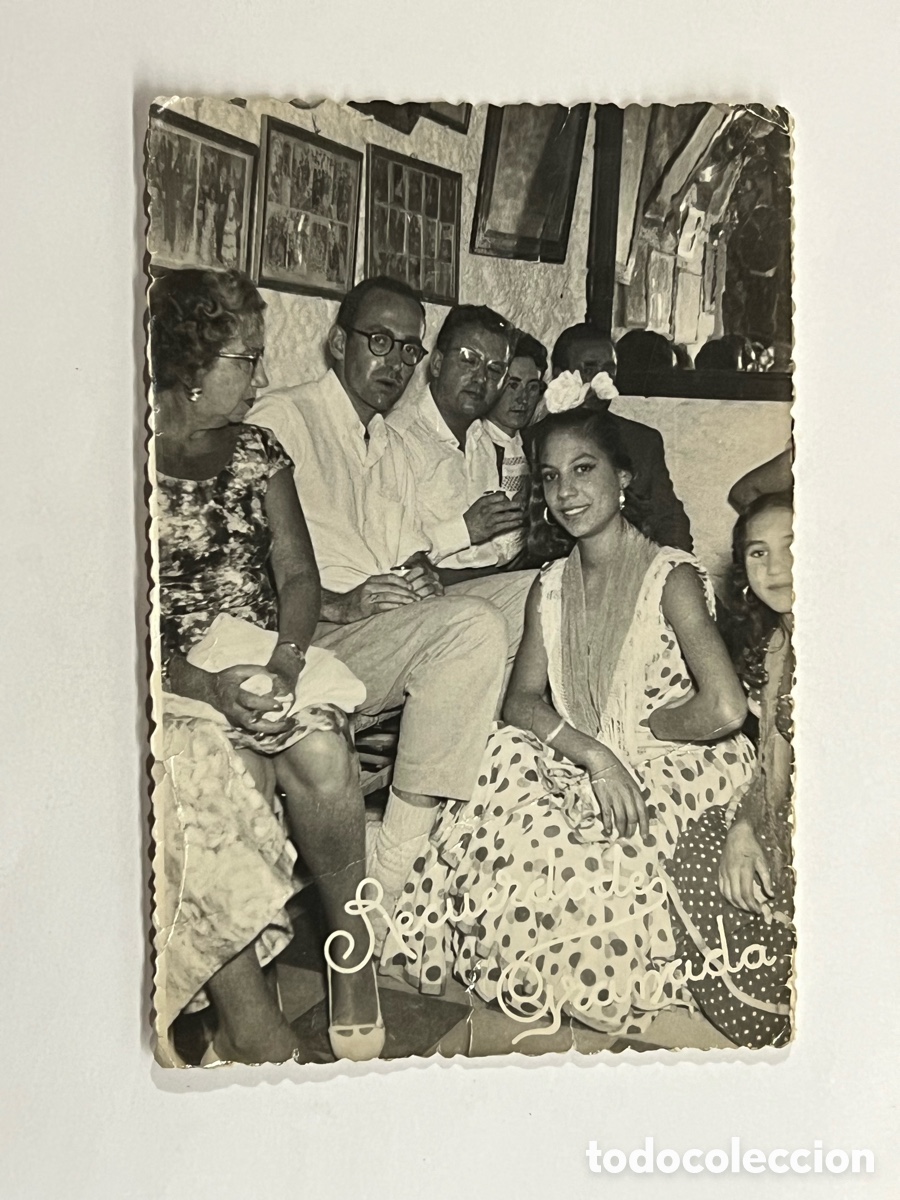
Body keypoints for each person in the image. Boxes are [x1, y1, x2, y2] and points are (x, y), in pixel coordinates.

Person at [382, 392, 755, 1039]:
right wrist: (596, 753)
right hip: (591, 754)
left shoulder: (672, 578)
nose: (566, 491)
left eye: (584, 470)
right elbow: (521, 699)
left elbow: (724, 708)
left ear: (624, 478)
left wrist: (644, 737)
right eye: (551, 477)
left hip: (677, 764)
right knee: (503, 754)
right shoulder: (550, 583)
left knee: (593, 866)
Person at [150, 268, 382, 1064]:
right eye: (246, 360)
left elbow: (298, 576)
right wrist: (207, 687)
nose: (261, 375)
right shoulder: (128, 460)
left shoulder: (257, 451)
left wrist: (284, 662)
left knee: (321, 750)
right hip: (174, 679)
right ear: (190, 366)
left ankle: (351, 955)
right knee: (235, 771)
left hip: (259, 656)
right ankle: (253, 1005)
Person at [247, 277, 508, 923]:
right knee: (472, 628)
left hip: (377, 629)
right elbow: (242, 564)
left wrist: (416, 573)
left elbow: (397, 553)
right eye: (380, 341)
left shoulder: (388, 442)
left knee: (546, 590)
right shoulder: (281, 420)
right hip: (311, 641)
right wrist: (338, 603)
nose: (395, 362)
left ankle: (468, 825)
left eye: (408, 350)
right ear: (339, 344)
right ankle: (391, 876)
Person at [665, 491, 794, 1047]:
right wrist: (747, 826)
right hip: (796, 805)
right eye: (758, 554)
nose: (778, 568)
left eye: (793, 546)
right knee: (702, 842)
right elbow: (775, 767)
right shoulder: (775, 644)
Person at [550, 323, 693, 552]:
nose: (601, 379)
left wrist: (672, 571)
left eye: (609, 369)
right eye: (589, 368)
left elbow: (669, 520)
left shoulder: (642, 442)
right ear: (560, 376)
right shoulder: (535, 440)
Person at [482, 331, 548, 562]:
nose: (523, 399)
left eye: (532, 387)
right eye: (513, 385)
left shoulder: (536, 445)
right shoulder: (474, 443)